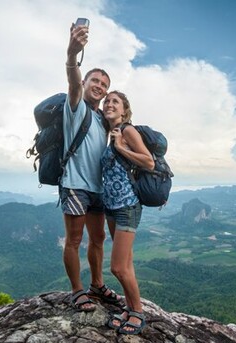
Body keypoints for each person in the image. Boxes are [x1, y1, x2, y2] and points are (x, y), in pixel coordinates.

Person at [62, 20, 123, 312]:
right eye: (95, 81)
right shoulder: (75, 106)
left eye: (104, 85)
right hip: (75, 184)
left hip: (97, 188)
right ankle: (76, 291)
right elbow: (72, 81)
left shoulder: (102, 119)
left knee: (97, 238)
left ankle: (97, 285)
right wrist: (73, 54)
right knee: (74, 239)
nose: (99, 87)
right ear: (86, 84)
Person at [101, 91, 154, 334]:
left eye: (115, 102)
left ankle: (138, 313)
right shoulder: (107, 134)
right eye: (107, 101)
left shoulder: (128, 131)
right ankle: (130, 308)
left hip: (127, 207)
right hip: (111, 208)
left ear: (124, 110)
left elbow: (148, 161)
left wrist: (121, 147)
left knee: (118, 268)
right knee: (128, 264)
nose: (109, 104)